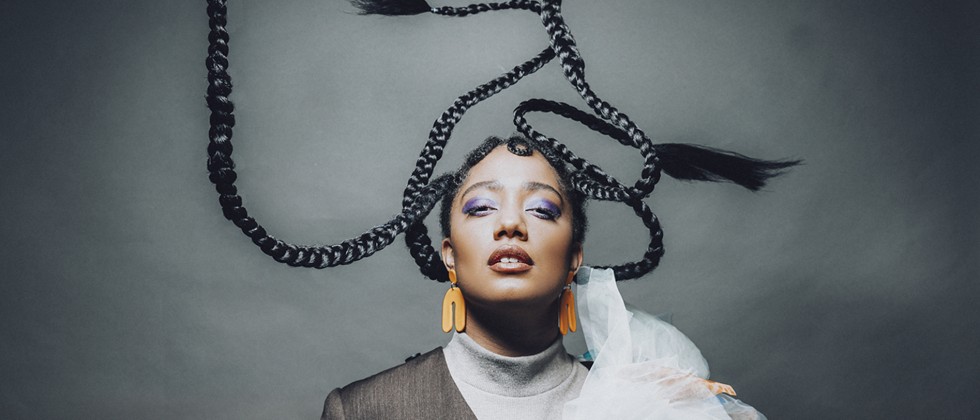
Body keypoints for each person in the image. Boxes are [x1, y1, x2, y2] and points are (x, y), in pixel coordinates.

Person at [203, 0, 797, 418]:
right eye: (482, 207)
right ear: (448, 256)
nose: (510, 223)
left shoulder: (646, 406)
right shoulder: (366, 411)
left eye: (542, 210)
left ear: (576, 259)